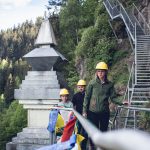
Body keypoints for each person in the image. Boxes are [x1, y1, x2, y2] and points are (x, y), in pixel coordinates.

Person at [82, 61, 128, 149]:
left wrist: (122, 102)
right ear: (96, 72)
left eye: (102, 71)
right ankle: (92, 147)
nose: (100, 73)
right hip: (92, 112)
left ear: (106, 72)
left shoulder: (110, 85)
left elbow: (113, 97)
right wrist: (84, 111)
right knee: (93, 131)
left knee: (104, 131)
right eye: (99, 71)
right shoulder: (92, 83)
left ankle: (102, 147)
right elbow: (87, 97)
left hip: (104, 112)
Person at [72, 79, 88, 149]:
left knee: (85, 132)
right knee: (77, 131)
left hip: (86, 116)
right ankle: (77, 146)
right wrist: (74, 114)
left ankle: (83, 147)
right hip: (78, 116)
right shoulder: (75, 96)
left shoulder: (87, 95)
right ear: (77, 87)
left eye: (82, 86)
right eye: (79, 87)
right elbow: (73, 105)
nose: (81, 88)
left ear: (85, 87)